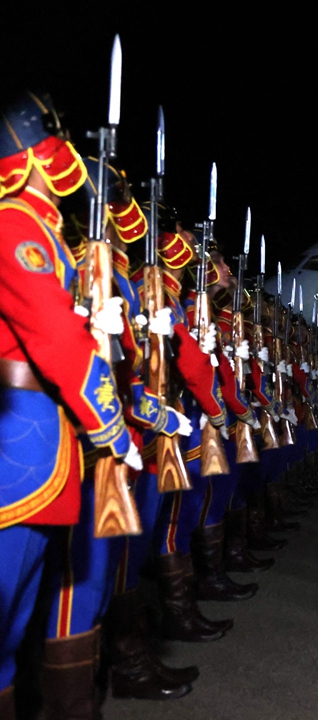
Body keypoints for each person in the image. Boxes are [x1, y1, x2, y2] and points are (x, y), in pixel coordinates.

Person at [0, 91, 141, 717]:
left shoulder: (41, 228)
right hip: (18, 453)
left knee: (15, 623)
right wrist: (110, 423)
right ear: (28, 160)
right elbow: (53, 340)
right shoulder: (14, 224)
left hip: (42, 443)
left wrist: (93, 315)